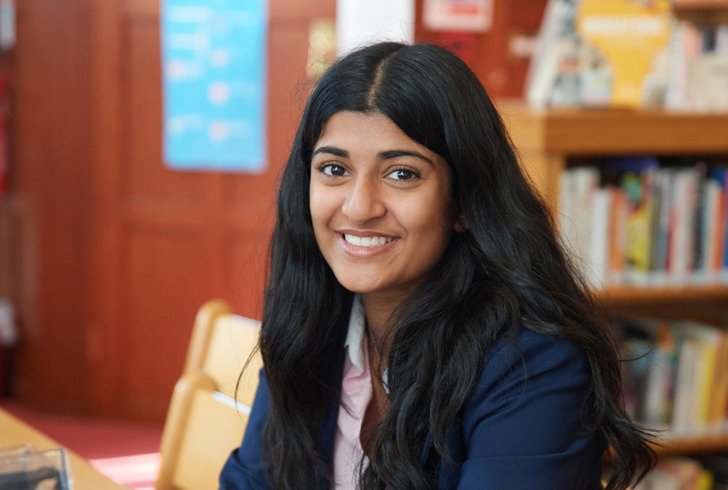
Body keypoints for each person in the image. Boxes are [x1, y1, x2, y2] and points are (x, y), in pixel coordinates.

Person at [220, 41, 655, 489]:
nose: (358, 206)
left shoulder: (533, 363)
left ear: (465, 202)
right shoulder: (309, 326)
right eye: (334, 169)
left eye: (402, 173)